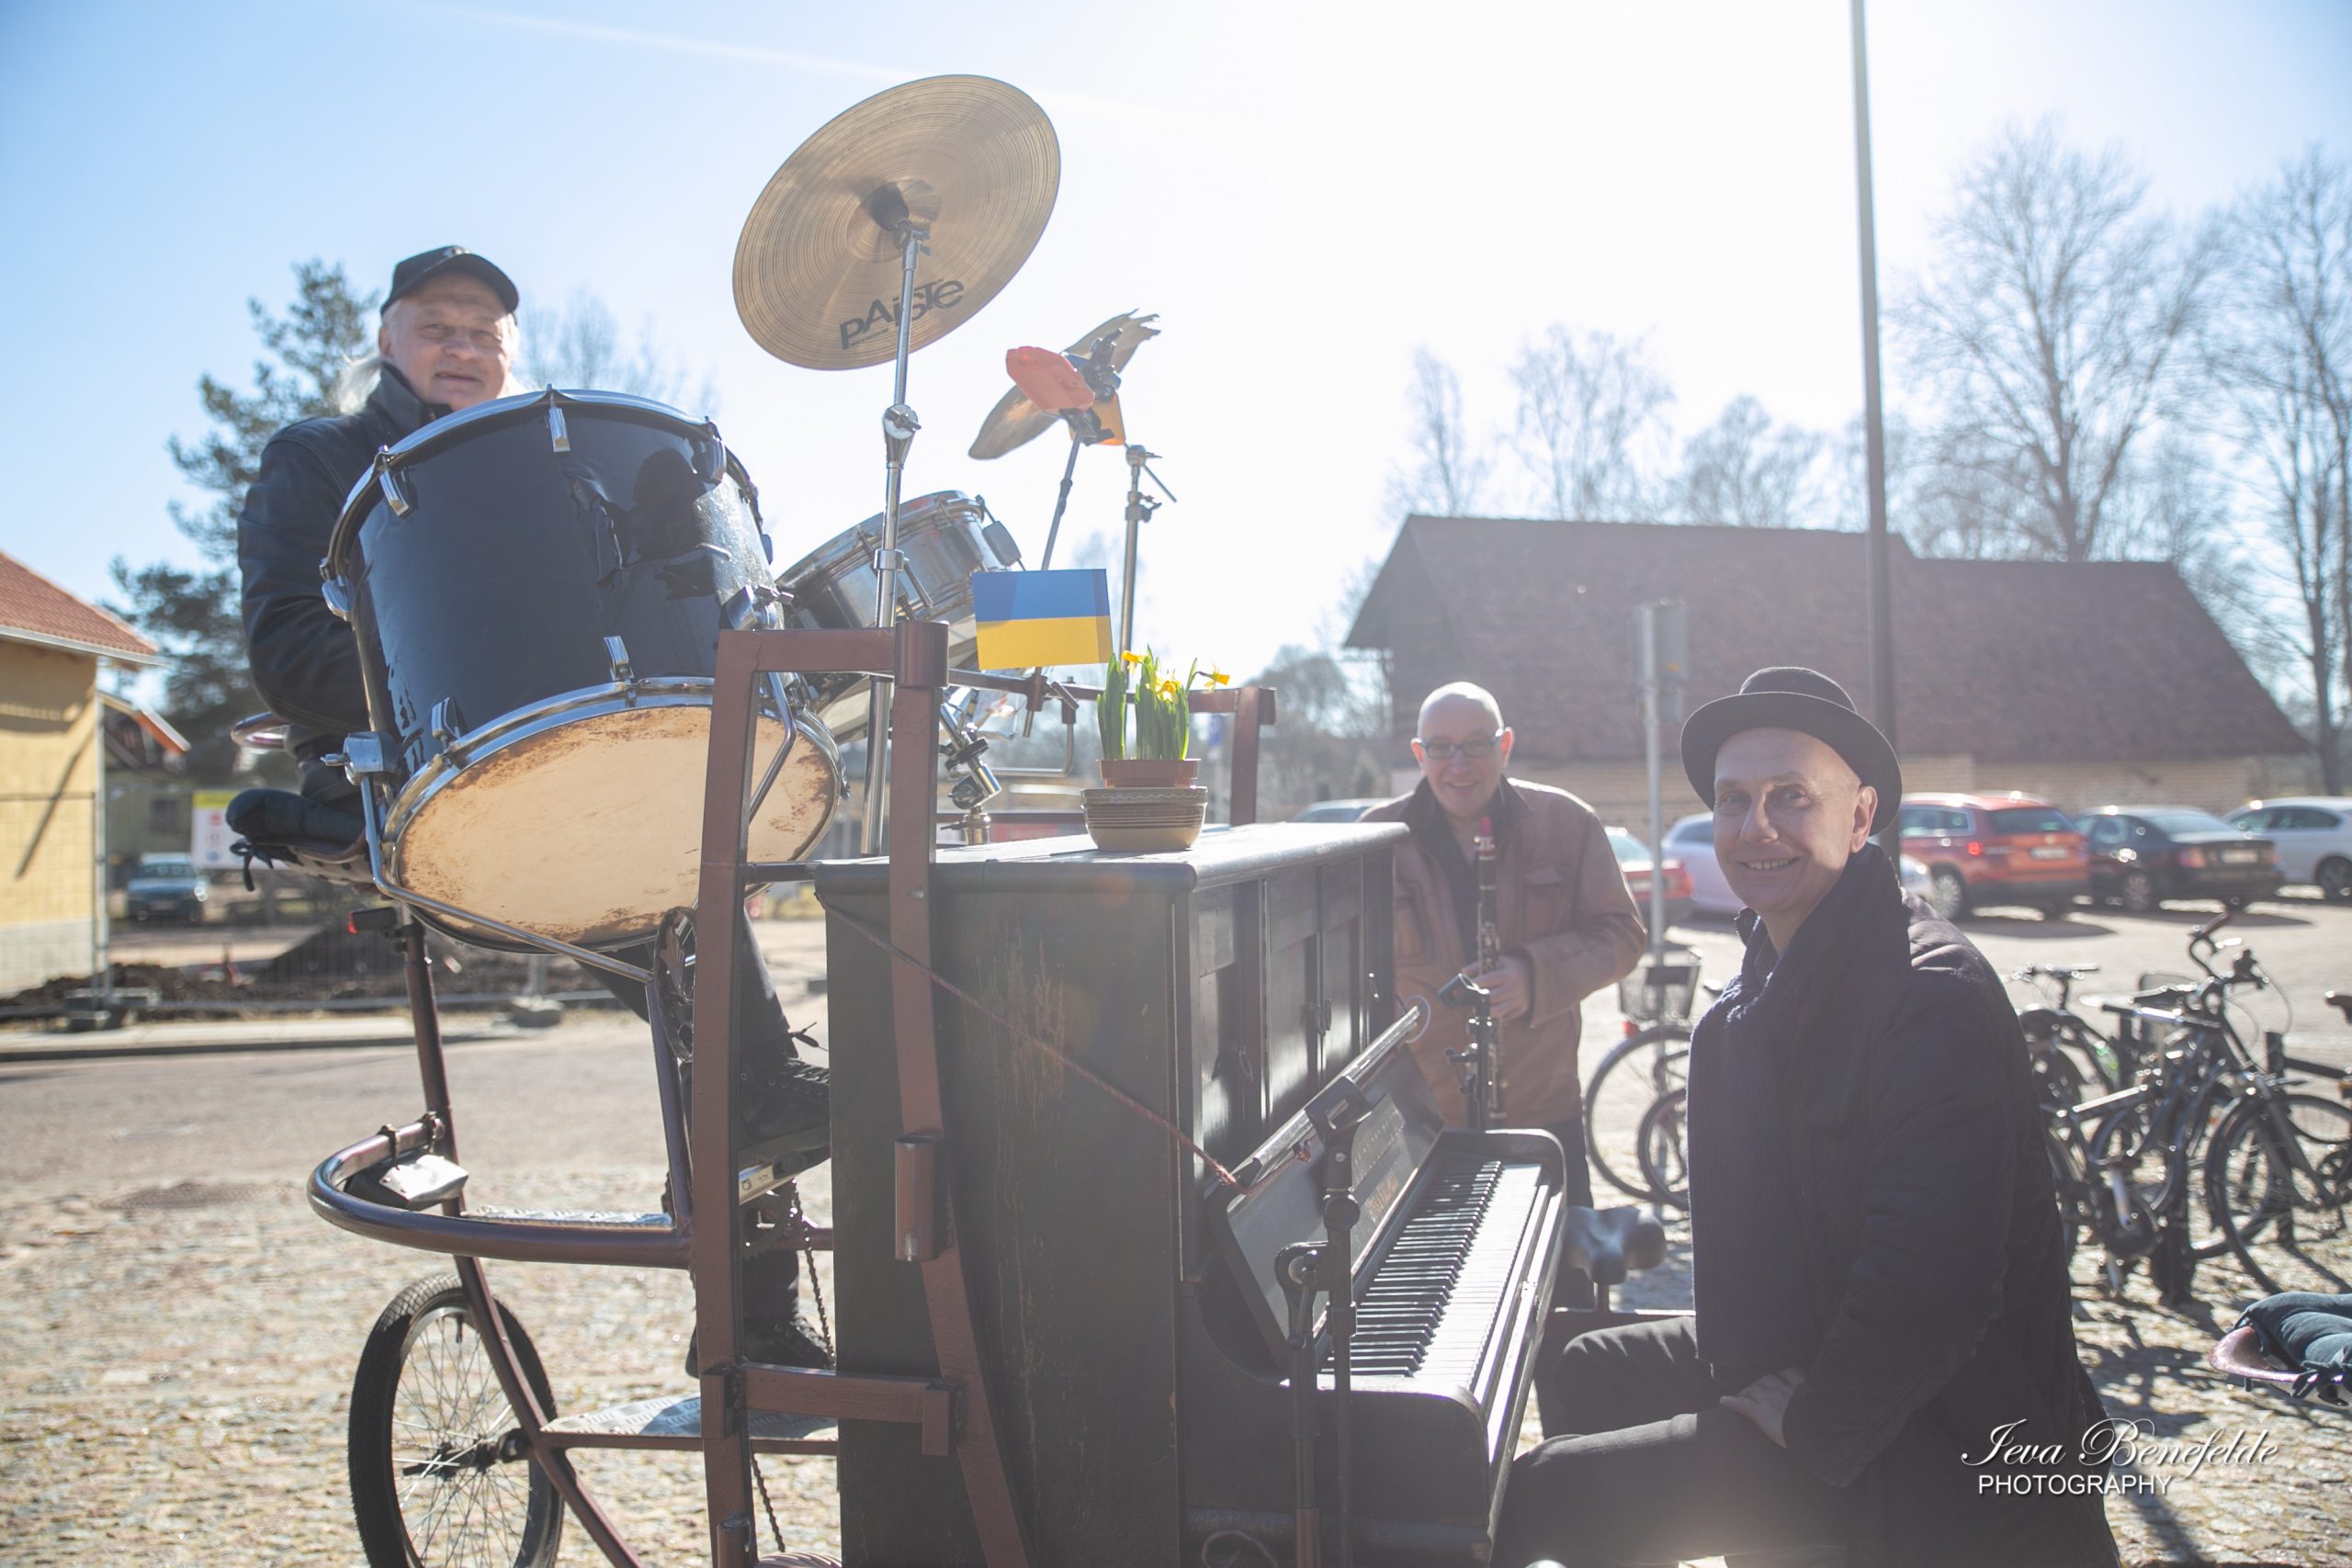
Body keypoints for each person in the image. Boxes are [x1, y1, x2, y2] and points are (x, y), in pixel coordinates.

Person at [236, 246, 831, 1368]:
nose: (461, 346)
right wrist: (444, 668)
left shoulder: (545, 468)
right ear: (387, 342)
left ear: (510, 354)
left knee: (693, 891)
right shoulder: (320, 458)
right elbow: (285, 654)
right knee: (688, 950)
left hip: (572, 767)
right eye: (436, 327)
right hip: (401, 778)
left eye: (483, 332)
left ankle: (756, 1297)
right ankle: (755, 1265)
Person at [1495, 668, 2118, 1568]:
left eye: (1791, 797)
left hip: (1942, 1431)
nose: (1756, 827)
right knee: (1582, 1365)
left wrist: (1817, 1417)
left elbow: (1934, 1286)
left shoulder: (1927, 996)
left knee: (1543, 1495)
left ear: (1860, 818)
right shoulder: (1768, 973)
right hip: (1810, 1342)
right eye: (1733, 800)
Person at [1363, 682, 1646, 1222]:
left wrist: (1535, 976)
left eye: (1476, 744)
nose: (1459, 764)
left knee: (1558, 1266)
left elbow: (1622, 934)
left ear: (1506, 745)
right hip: (1420, 1124)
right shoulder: (1376, 838)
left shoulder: (1568, 823)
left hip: (1542, 1114)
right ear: (1419, 754)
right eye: (1441, 748)